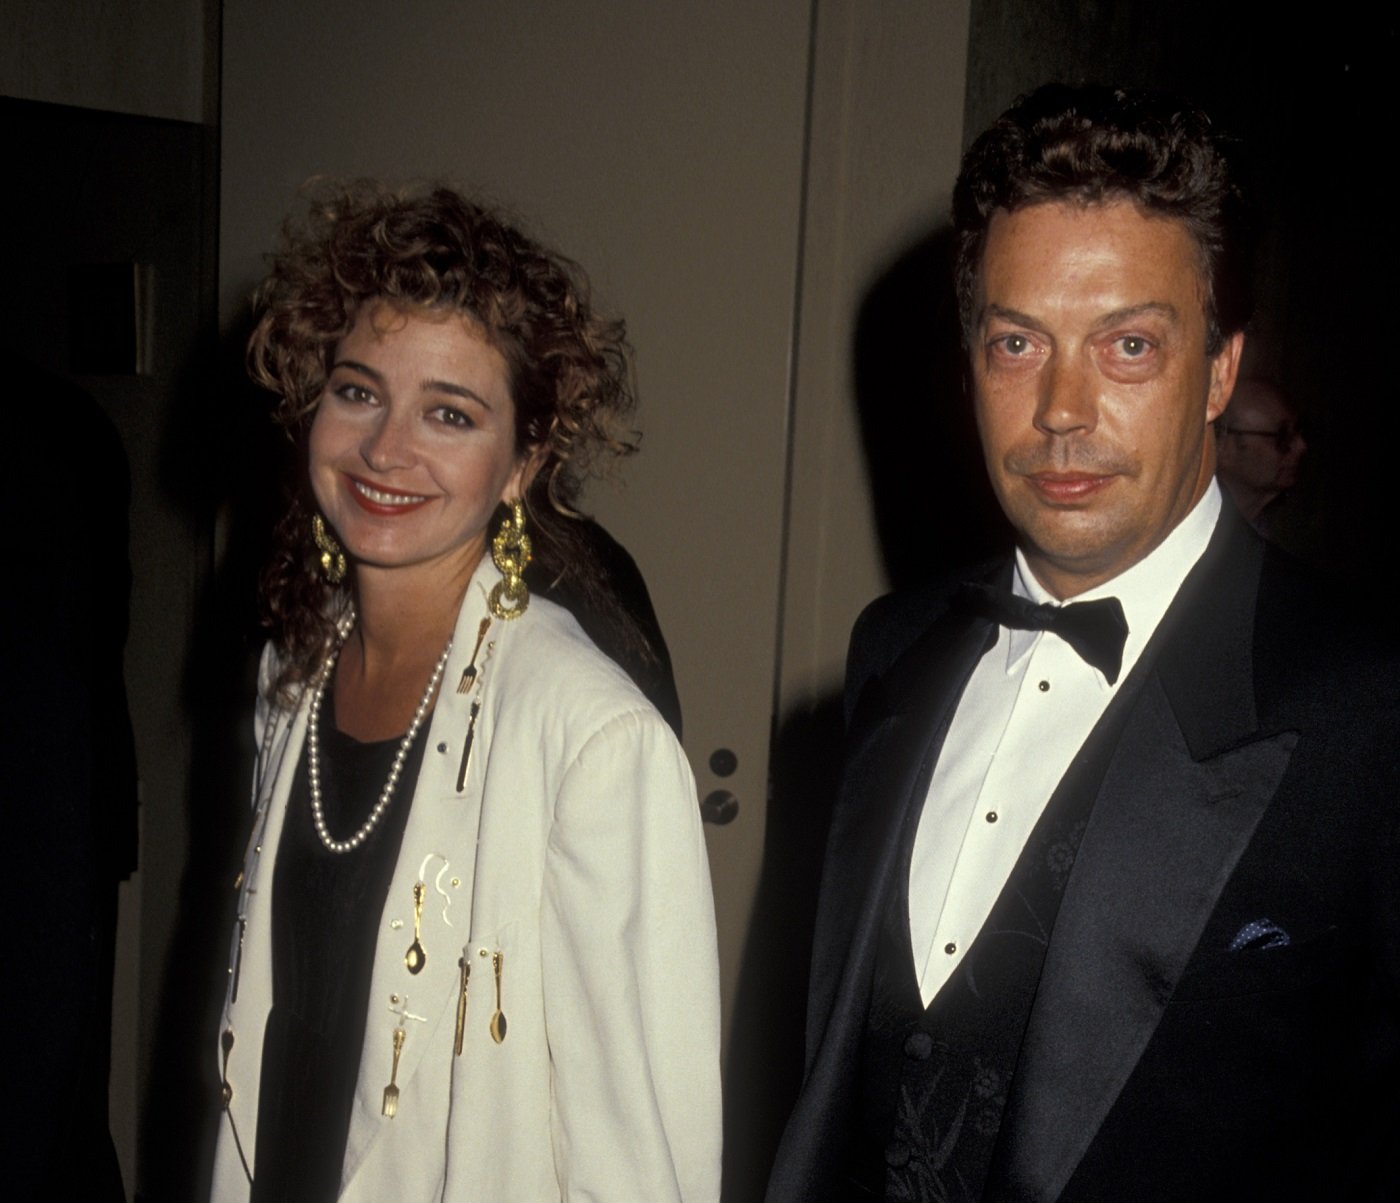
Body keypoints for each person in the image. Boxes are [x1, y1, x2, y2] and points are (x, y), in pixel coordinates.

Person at [767, 84, 1398, 1202]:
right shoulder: (892, 648)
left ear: (1215, 371)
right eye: (1017, 342)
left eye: (1127, 345)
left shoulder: (1365, 704)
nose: (1060, 405)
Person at [209, 184, 721, 1202]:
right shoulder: (292, 673)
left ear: (524, 461)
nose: (386, 450)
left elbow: (635, 1158)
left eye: (450, 412)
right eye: (357, 392)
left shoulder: (590, 741)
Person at [1215, 377, 1308, 528]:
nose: (1301, 446)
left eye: (1299, 430)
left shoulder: (1296, 532)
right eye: (1282, 436)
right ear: (1224, 445)